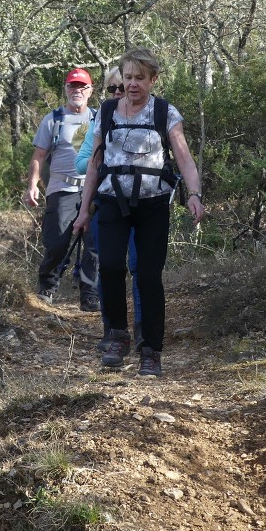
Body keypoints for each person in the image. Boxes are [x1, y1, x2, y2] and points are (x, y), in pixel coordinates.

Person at [73, 48, 204, 378]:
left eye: (139, 78)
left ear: (152, 80)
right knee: (112, 266)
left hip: (153, 206)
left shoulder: (164, 113)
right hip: (112, 203)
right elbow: (93, 163)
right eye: (128, 77)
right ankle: (117, 335)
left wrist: (194, 194)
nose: (132, 85)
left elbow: (184, 158)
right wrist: (84, 210)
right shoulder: (106, 112)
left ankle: (151, 351)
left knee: (147, 275)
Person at [75, 67, 142, 361]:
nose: (119, 92)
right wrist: (105, 163)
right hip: (107, 203)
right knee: (110, 267)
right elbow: (81, 164)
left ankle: (142, 327)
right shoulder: (100, 121)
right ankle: (112, 329)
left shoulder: (150, 115)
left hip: (142, 203)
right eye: (113, 88)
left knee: (140, 266)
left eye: (122, 87)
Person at [24, 67, 99, 312]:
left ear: (90, 90)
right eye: (72, 86)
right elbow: (39, 156)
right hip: (62, 188)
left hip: (93, 188)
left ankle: (90, 294)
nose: (76, 91)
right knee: (56, 241)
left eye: (82, 86)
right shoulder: (54, 119)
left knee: (93, 243)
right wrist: (33, 185)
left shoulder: (99, 118)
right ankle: (46, 287)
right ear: (66, 89)